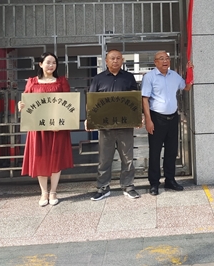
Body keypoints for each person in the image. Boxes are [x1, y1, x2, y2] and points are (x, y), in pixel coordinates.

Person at [18, 52, 73, 206]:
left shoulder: (62, 82)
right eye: (48, 62)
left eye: (54, 63)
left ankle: (53, 191)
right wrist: (21, 106)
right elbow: (26, 102)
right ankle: (44, 192)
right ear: (40, 64)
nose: (51, 65)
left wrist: (59, 123)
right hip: (38, 128)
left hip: (57, 128)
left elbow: (68, 104)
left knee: (56, 157)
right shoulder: (32, 82)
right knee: (40, 158)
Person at [86, 49, 140, 200]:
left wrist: (138, 117)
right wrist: (88, 119)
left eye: (118, 58)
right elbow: (91, 101)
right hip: (106, 127)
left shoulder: (129, 77)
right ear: (106, 61)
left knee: (127, 158)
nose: (115, 61)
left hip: (125, 126)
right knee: (104, 159)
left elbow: (135, 100)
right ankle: (103, 188)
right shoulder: (98, 79)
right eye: (112, 58)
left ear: (122, 60)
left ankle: (128, 186)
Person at [141, 51, 192, 196]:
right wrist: (148, 120)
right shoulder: (149, 77)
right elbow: (145, 99)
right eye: (161, 59)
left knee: (171, 151)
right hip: (157, 118)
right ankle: (154, 183)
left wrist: (189, 71)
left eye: (167, 58)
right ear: (155, 62)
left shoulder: (174, 76)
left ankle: (170, 180)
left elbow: (186, 87)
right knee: (155, 152)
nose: (165, 61)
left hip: (173, 118)